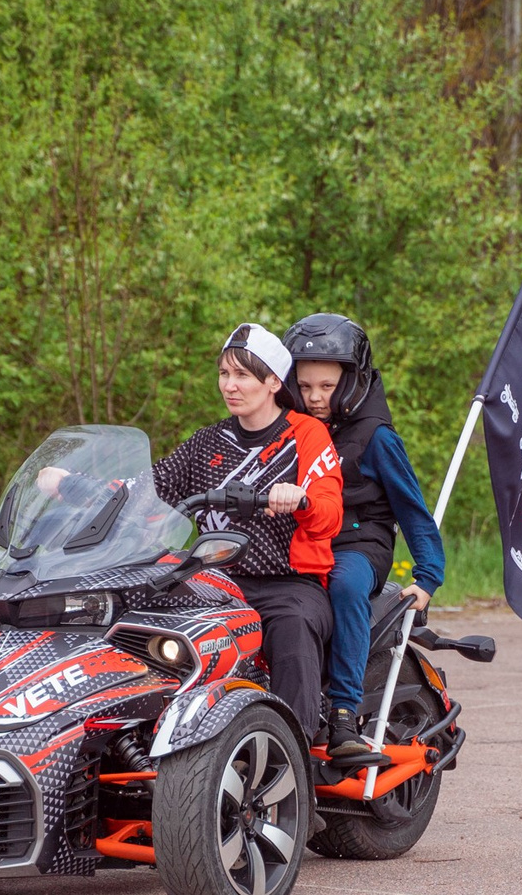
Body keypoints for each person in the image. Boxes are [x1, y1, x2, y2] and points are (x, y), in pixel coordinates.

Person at [148, 323, 344, 752]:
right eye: (224, 374)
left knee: (293, 627)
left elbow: (329, 514)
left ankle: (295, 755)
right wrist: (77, 487)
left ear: (273, 382)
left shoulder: (305, 434)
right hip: (213, 582)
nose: (229, 385)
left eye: (242, 375)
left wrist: (302, 499)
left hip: (286, 584)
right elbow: (150, 487)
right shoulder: (207, 441)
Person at [281, 313, 446, 763]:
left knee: (345, 585)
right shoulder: (287, 428)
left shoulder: (376, 437)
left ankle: (343, 714)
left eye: (327, 386)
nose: (315, 397)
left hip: (359, 543)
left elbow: (412, 509)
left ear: (352, 380)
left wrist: (428, 577)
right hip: (302, 537)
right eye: (305, 386)